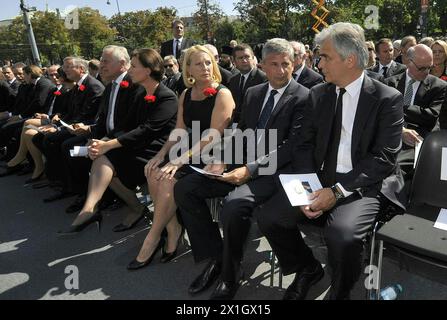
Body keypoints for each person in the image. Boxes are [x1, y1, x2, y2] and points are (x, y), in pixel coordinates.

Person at [255, 22, 406, 300]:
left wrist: (336, 193)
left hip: (364, 183)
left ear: (349, 60)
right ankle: (308, 269)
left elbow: (383, 158)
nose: (318, 62)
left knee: (341, 236)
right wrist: (307, 186)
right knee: (270, 217)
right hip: (320, 177)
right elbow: (303, 145)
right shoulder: (318, 94)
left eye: (324, 57)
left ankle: (340, 291)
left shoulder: (387, 98)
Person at [174, 38, 309, 300]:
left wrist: (248, 170)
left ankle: (231, 275)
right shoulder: (254, 92)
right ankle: (217, 258)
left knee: (234, 206)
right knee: (185, 188)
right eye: (274, 64)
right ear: (263, 65)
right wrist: (223, 158)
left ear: (294, 64)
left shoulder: (304, 96)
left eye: (286, 64)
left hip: (274, 169)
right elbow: (242, 132)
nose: (281, 71)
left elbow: (291, 147)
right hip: (242, 161)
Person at [127, 45, 235, 270]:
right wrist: (162, 154)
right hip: (189, 151)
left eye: (207, 63)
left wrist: (179, 159)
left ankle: (153, 237)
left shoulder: (222, 93)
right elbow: (178, 130)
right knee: (153, 172)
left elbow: (214, 135)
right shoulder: (186, 94)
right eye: (198, 64)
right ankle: (173, 229)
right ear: (188, 69)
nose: (205, 67)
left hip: (215, 154)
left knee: (167, 180)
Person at [58, 48, 178, 235]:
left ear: (147, 71)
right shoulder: (142, 93)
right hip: (140, 146)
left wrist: (109, 144)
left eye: (134, 66)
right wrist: (104, 140)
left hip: (159, 150)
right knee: (101, 157)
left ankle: (95, 209)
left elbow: (146, 130)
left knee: (107, 156)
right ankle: (90, 209)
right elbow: (126, 124)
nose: (130, 70)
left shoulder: (167, 96)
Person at [227, 44, 267, 123]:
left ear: (253, 58)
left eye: (247, 57)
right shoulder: (233, 80)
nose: (244, 60)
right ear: (234, 61)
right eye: (240, 58)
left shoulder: (264, 79)